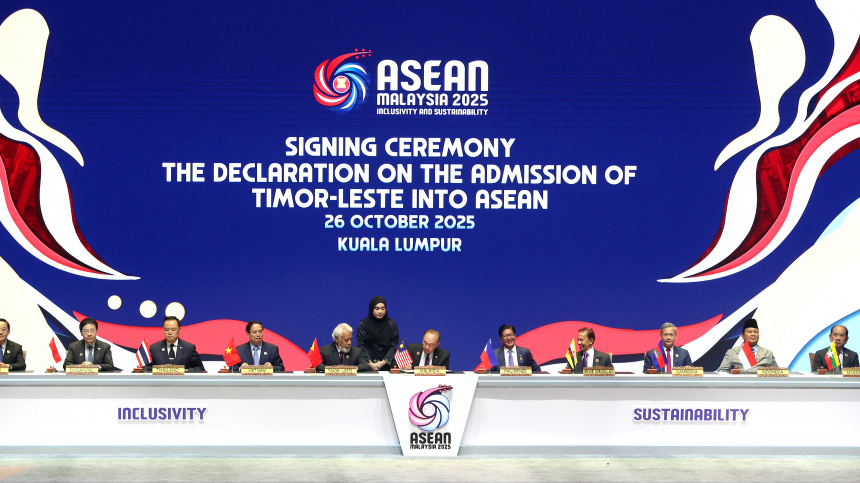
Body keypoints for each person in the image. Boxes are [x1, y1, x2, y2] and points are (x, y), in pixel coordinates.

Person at [356, 296, 399, 372]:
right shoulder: (364, 324)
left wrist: (383, 363)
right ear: (371, 309)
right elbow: (361, 346)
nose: (380, 312)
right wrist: (370, 364)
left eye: (383, 308)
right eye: (377, 309)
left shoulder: (391, 324)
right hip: (367, 365)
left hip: (387, 365)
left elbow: (394, 345)